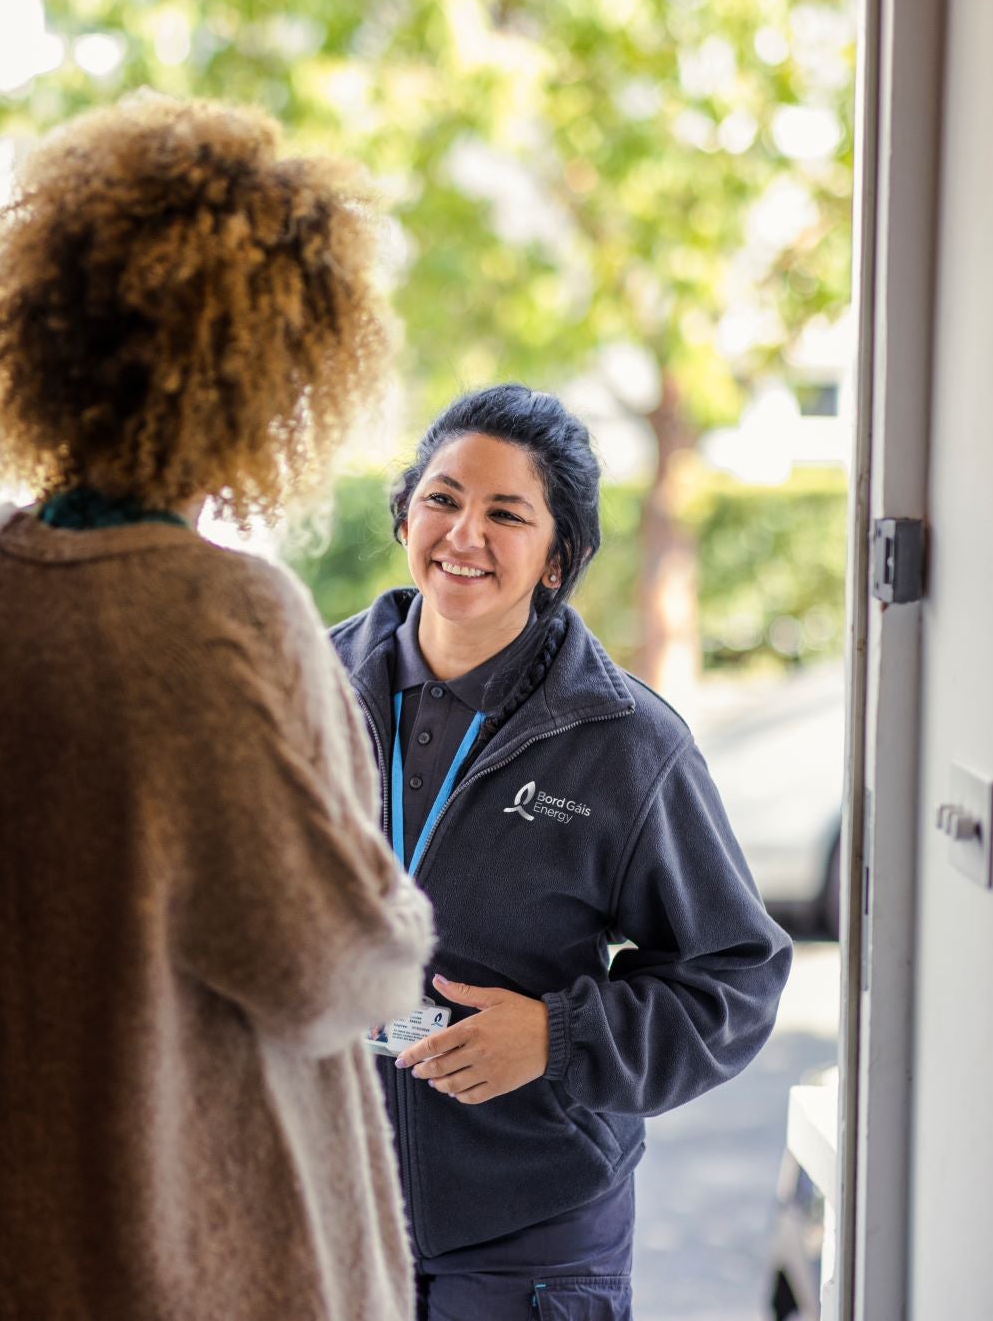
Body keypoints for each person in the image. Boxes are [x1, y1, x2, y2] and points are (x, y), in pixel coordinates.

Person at [0, 94, 434, 1321]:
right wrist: (401, 924)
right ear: (267, 376)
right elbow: (326, 962)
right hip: (187, 1254)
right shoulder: (215, 619)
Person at [328, 385, 794, 1320]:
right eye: (443, 498)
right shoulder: (304, 690)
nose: (464, 533)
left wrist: (557, 1039)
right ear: (405, 513)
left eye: (507, 513)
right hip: (329, 1194)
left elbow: (735, 979)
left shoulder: (627, 744)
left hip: (531, 1230)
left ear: (558, 557)